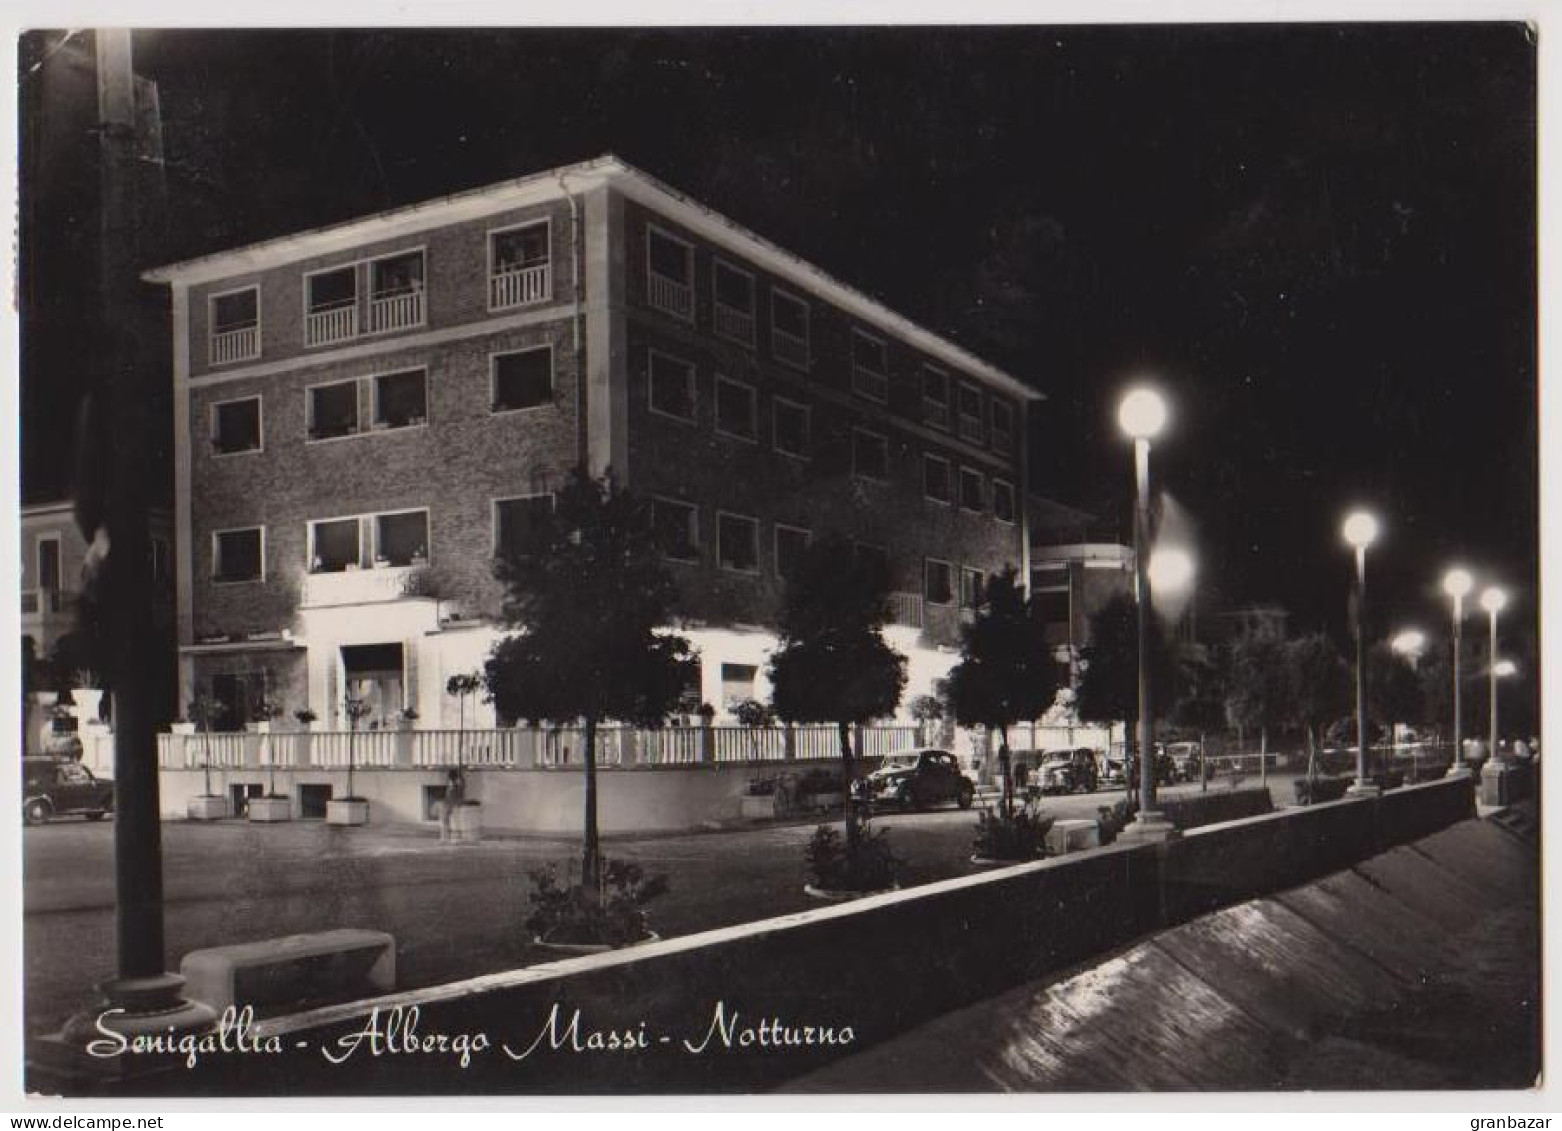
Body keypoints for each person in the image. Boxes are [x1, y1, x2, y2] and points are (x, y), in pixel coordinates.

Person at [439, 766, 467, 844]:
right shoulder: (454, 782)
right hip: (451, 803)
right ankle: (446, 838)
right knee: (446, 820)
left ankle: (454, 838)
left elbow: (457, 792)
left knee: (454, 821)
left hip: (454, 803)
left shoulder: (458, 782)